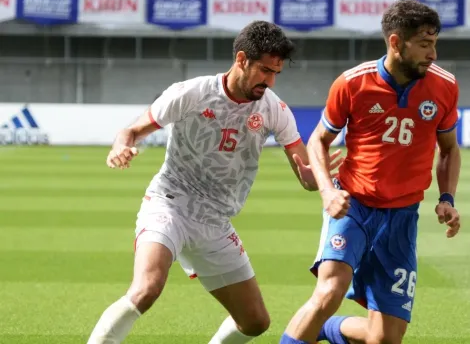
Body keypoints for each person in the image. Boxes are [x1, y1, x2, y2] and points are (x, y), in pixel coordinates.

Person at [86, 20, 343, 344]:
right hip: (170, 204)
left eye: (276, 72)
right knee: (146, 288)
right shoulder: (190, 93)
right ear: (241, 60)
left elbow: (305, 175)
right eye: (265, 70)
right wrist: (121, 146)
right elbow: (132, 130)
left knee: (254, 322)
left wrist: (321, 176)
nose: (270, 80)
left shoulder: (274, 109)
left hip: (216, 222)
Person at [280, 0, 461, 344]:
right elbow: (318, 141)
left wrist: (447, 198)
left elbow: (450, 149)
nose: (433, 54)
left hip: (402, 217)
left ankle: (326, 331)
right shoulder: (352, 84)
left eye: (434, 44)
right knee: (329, 290)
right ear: (396, 42)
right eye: (424, 45)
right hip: (354, 204)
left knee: (384, 340)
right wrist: (327, 192)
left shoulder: (444, 86)